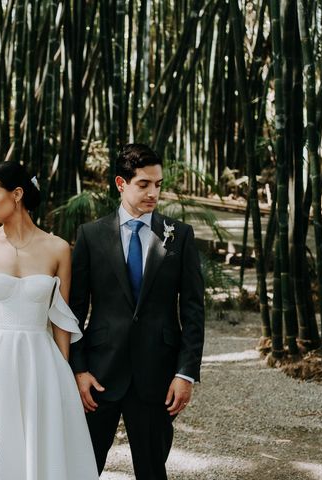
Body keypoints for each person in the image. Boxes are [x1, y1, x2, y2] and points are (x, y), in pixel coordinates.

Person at [0, 161, 98, 480]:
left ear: (16, 194)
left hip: (42, 364)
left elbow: (62, 321)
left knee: (43, 449)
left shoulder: (58, 249)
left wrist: (63, 375)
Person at [69, 143, 205, 480]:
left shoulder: (179, 236)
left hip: (156, 372)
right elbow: (73, 309)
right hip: (100, 373)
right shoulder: (90, 235)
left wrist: (185, 373)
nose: (153, 193)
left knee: (152, 470)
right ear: (121, 183)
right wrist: (78, 369)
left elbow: (193, 311)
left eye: (158, 184)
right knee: (84, 467)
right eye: (143, 184)